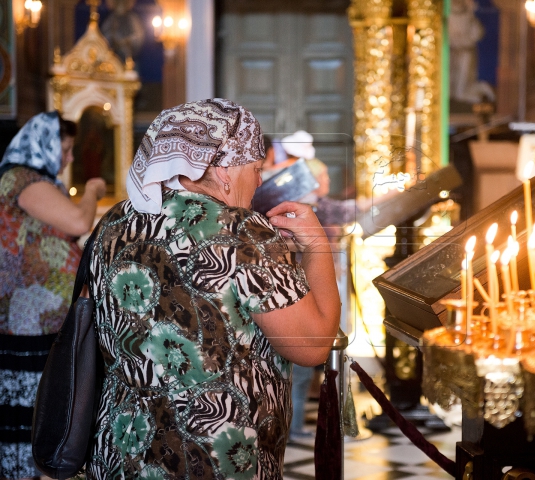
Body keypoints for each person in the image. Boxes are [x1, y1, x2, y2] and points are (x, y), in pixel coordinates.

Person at [85, 99, 340, 479]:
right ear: (223, 169)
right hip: (214, 455)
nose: (258, 181)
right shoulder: (242, 232)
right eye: (255, 169)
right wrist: (317, 246)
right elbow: (314, 344)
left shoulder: (114, 223)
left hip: (124, 449)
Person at [0, 111, 106, 479]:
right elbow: (78, 223)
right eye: (65, 149)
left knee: (42, 409)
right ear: (42, 145)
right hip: (24, 323)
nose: (70, 158)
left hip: (37, 322)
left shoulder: (36, 182)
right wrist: (92, 191)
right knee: (28, 412)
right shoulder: (21, 178)